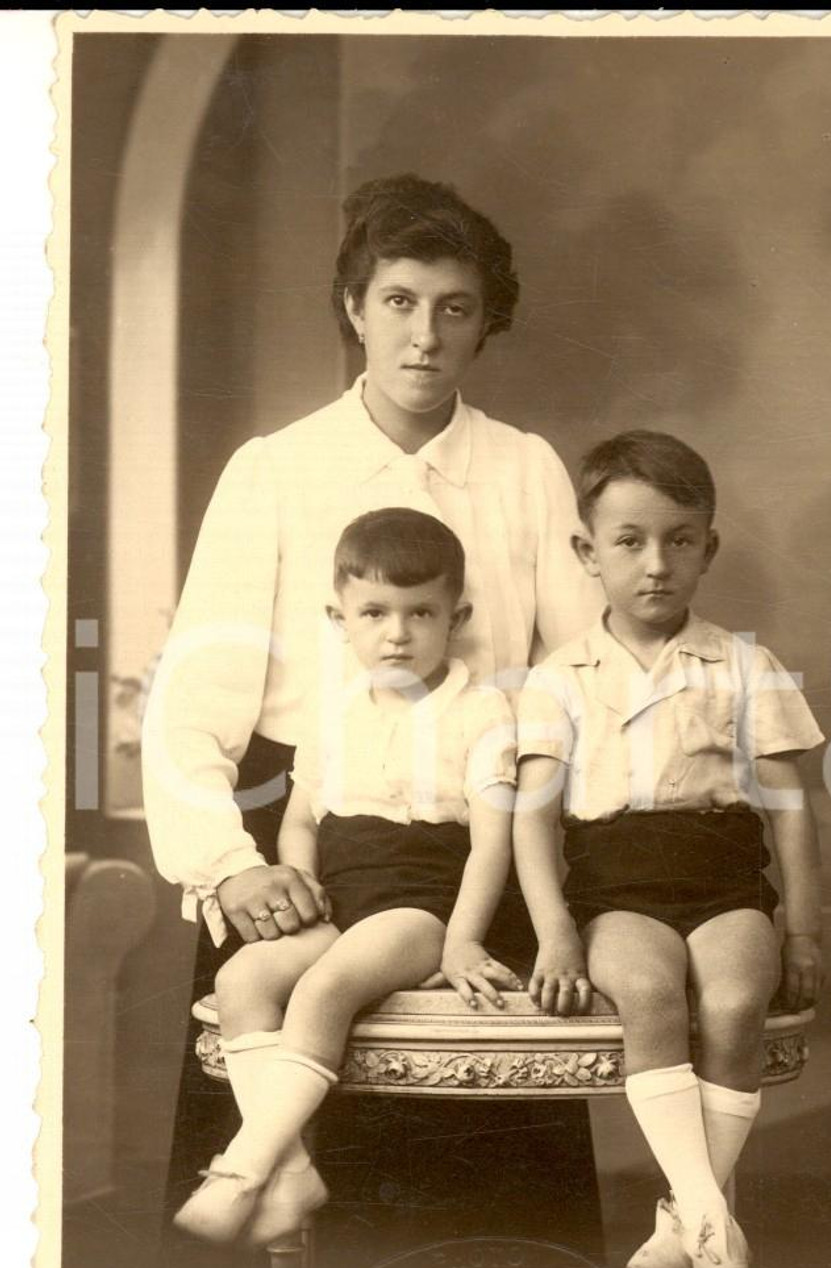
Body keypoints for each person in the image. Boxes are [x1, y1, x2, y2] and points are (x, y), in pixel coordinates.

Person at [141, 174, 603, 1208]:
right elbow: (191, 701)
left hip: (478, 843)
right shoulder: (274, 468)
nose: (424, 336)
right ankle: (271, 1189)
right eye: (398, 301)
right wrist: (229, 867)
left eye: (455, 308)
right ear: (354, 309)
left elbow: (582, 680)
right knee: (275, 1169)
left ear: (485, 324)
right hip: (303, 849)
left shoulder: (524, 468)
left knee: (482, 1198)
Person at [513, 429, 825, 1268]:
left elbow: (790, 810)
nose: (656, 563)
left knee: (734, 1001)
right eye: (629, 541)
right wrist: (555, 932)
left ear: (708, 549)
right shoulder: (559, 677)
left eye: (680, 540)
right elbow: (532, 819)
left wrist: (802, 929)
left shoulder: (744, 664)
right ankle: (712, 1223)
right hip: (616, 888)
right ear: (587, 552)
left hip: (724, 879)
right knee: (648, 995)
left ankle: (683, 1222)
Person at [174, 509, 520, 1245]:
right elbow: (302, 820)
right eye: (375, 613)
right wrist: (300, 885)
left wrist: (461, 938)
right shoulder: (332, 715)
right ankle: (293, 1170)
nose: (397, 633)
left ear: (456, 618)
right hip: (338, 904)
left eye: (420, 612)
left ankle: (242, 1167)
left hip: (420, 909)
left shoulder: (482, 710)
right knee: (242, 979)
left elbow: (493, 844)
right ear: (340, 619)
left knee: (325, 986)